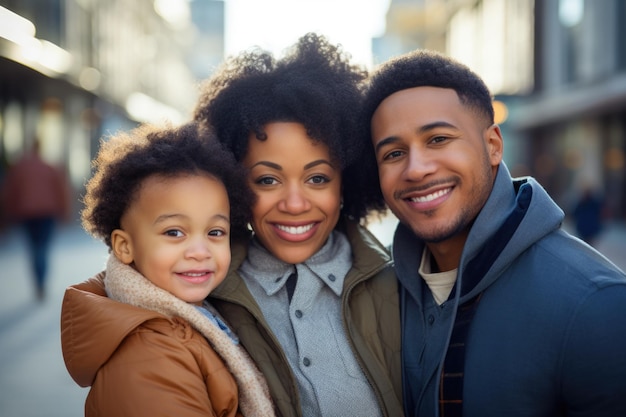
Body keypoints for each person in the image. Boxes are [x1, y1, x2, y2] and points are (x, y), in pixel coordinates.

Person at [361, 49, 626, 417]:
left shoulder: (596, 303)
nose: (416, 169)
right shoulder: (379, 298)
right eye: (393, 153)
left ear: (493, 146)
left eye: (438, 139)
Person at [193, 33, 403, 417]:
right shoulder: (204, 292)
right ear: (234, 183)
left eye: (318, 178)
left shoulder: (401, 284)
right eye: (267, 180)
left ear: (347, 181)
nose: (294, 203)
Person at [60, 122, 275, 417]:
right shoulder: (149, 356)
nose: (200, 252)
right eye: (174, 233)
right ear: (125, 246)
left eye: (215, 232)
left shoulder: (200, 318)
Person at [1, 139, 71, 301]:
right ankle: (41, 281)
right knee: (43, 247)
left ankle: (38, 281)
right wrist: (64, 211)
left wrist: (8, 214)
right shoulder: (49, 167)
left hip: (27, 213)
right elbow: (61, 190)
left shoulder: (20, 168)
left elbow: (9, 192)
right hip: (47, 212)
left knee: (34, 248)